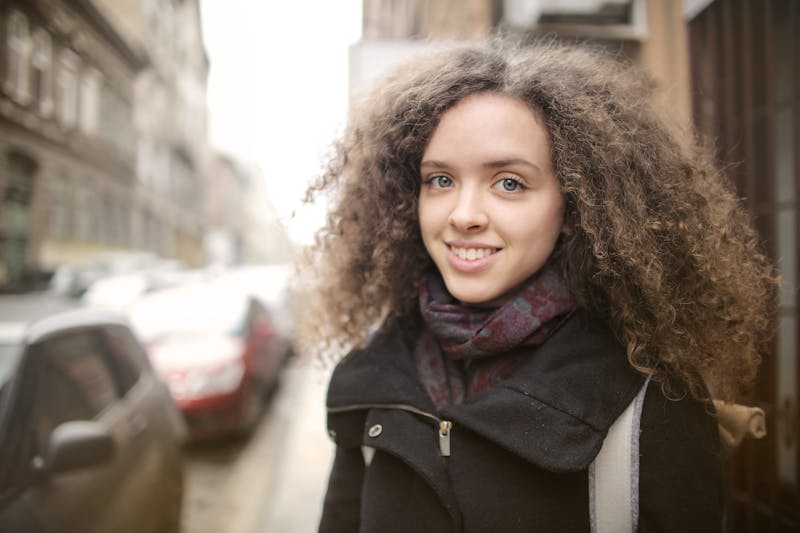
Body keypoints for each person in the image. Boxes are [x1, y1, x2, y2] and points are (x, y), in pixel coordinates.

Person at [301, 38, 776, 533]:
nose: (463, 216)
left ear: (572, 208)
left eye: (509, 182)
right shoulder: (373, 378)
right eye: (440, 180)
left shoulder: (652, 400)